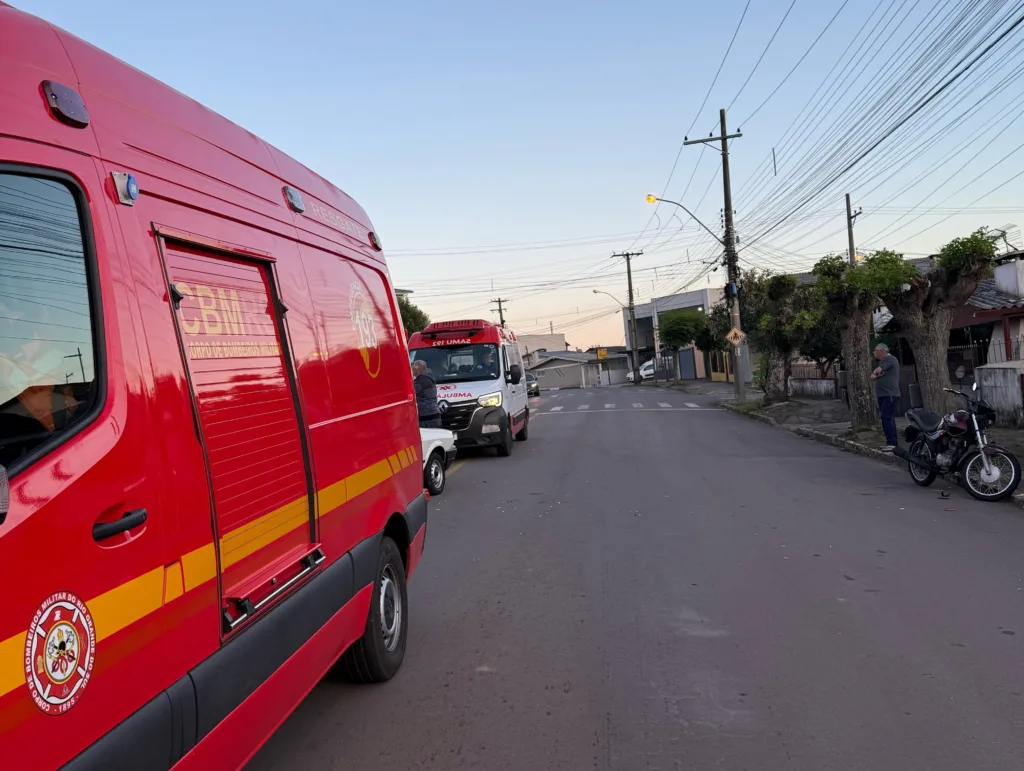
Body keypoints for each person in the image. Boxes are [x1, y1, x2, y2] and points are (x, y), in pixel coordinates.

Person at [871, 343, 900, 451]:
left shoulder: (890, 359)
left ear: (881, 351)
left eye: (875, 350)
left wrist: (875, 373)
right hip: (884, 395)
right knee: (888, 418)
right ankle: (892, 443)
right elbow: (876, 375)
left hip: (889, 394)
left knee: (886, 418)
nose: (874, 353)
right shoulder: (884, 362)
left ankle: (892, 443)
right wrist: (876, 375)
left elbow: (877, 372)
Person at [411, 360, 441, 428]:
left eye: (413, 369)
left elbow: (410, 391)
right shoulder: (429, 377)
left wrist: (411, 376)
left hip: (426, 416)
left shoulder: (421, 381)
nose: (412, 370)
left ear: (417, 369)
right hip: (434, 413)